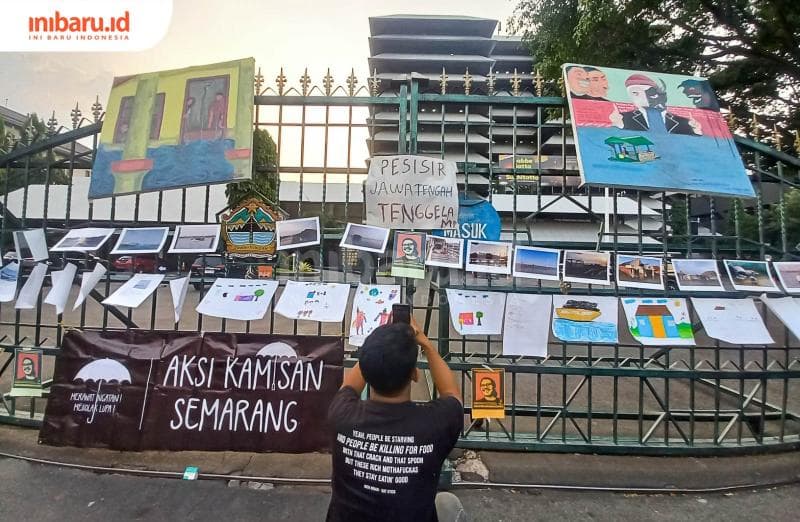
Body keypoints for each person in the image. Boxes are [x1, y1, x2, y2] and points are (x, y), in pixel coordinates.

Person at [326, 318, 466, 522]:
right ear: (414, 375)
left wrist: (379, 343)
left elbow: (350, 384)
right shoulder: (435, 424)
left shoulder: (341, 415)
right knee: (448, 504)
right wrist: (425, 344)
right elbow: (451, 393)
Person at [610, 73, 701, 135]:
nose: (643, 97)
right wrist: (617, 125)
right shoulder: (624, 119)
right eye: (635, 93)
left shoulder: (685, 123)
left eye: (650, 92)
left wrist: (697, 131)